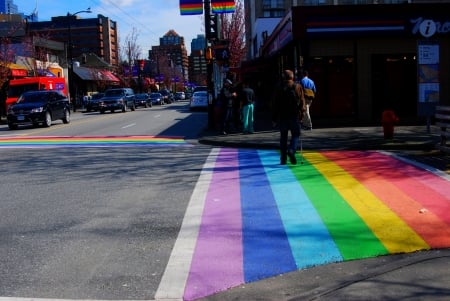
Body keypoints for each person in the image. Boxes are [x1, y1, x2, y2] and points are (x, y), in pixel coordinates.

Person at [272, 69, 306, 165]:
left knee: (283, 137)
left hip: (282, 116)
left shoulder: (279, 87)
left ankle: (283, 159)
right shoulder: (297, 87)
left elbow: (274, 103)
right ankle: (292, 150)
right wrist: (302, 115)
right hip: (294, 115)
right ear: (292, 77)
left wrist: (274, 118)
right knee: (295, 134)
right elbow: (302, 103)